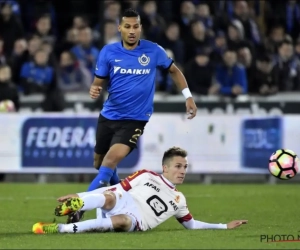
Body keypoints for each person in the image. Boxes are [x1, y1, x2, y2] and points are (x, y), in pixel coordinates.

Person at [68, 8, 197, 224]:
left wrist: (188, 96)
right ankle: (121, 194)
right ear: (119, 28)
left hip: (135, 119)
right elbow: (98, 82)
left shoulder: (153, 51)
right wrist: (94, 89)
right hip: (109, 116)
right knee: (100, 164)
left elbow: (174, 71)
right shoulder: (108, 52)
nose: (131, 31)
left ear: (140, 28)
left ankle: (81, 206)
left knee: (110, 160)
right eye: (127, 26)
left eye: (135, 26)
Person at [32, 147, 247, 234]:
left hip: (136, 220)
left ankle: (60, 229)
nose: (182, 172)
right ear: (166, 167)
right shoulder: (147, 175)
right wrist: (80, 195)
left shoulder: (179, 200)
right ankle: (79, 204)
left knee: (122, 221)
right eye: (178, 167)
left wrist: (223, 226)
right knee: (109, 196)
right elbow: (116, 188)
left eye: (185, 168)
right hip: (124, 201)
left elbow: (190, 224)